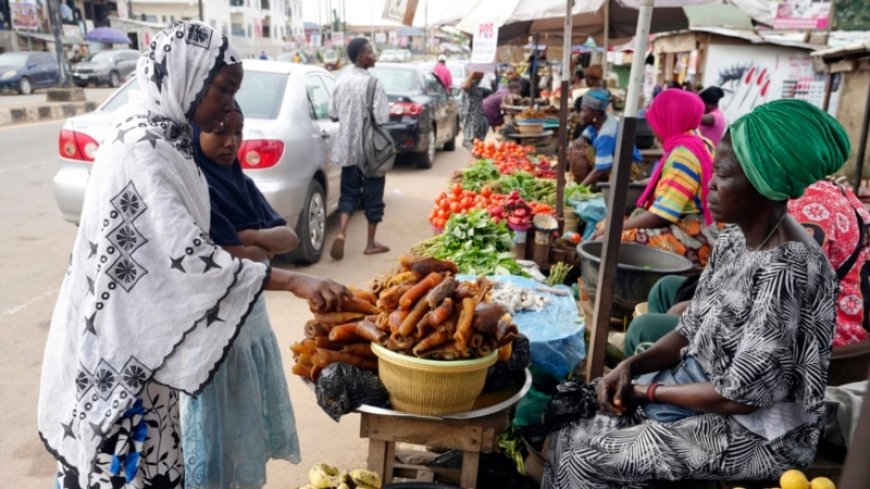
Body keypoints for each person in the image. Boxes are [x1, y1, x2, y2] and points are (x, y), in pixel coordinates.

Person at [38, 22, 349, 489]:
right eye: (222, 90)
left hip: (148, 348)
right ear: (187, 77)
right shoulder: (143, 145)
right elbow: (187, 256)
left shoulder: (169, 136)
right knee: (123, 469)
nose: (227, 106)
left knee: (155, 464)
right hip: (122, 355)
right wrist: (294, 281)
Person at [544, 99, 850, 488]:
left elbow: (740, 397)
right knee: (571, 418)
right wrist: (629, 368)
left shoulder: (789, 268)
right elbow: (688, 329)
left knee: (587, 456)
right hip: (700, 386)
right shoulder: (735, 239)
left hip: (756, 432)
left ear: (764, 183)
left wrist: (648, 391)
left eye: (722, 174)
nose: (711, 184)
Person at [181, 103, 302, 489]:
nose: (231, 142)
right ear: (195, 132)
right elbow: (228, 259)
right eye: (219, 131)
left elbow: (288, 238)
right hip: (214, 330)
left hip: (249, 324)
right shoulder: (195, 188)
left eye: (238, 131)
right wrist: (252, 246)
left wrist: (248, 237)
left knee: (241, 422)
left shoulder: (242, 184)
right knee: (210, 427)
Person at [626, 176, 870, 355]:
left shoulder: (809, 208)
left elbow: (776, 302)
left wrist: (697, 308)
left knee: (645, 328)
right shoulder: (828, 191)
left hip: (814, 346)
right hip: (811, 327)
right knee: (668, 288)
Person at [595, 89, 719, 267]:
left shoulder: (683, 155)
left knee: (605, 241)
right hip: (704, 230)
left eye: (657, 122)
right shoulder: (702, 142)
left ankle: (619, 292)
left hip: (692, 238)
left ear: (668, 120)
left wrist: (616, 229)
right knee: (604, 226)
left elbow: (662, 215)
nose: (654, 130)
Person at [328, 37, 390, 260]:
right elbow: (382, 117)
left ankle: (342, 232)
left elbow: (333, 114)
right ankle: (371, 243)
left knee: (349, 193)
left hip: (347, 149)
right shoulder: (374, 83)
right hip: (371, 151)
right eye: (371, 52)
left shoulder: (340, 81)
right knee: (374, 195)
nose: (374, 56)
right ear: (361, 57)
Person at [568, 89, 641, 187]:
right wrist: (582, 137)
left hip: (628, 169)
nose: (580, 114)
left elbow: (600, 169)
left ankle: (585, 187)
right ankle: (587, 186)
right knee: (576, 147)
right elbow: (588, 133)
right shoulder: (599, 121)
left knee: (579, 153)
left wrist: (580, 188)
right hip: (614, 163)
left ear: (596, 114)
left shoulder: (606, 133)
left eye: (583, 111)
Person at [460, 71, 489, 150]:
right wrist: (472, 74)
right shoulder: (469, 84)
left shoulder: (478, 85)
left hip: (478, 116)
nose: (483, 74)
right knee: (473, 141)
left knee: (478, 141)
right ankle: (469, 145)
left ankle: (476, 154)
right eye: (481, 72)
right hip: (470, 117)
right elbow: (465, 86)